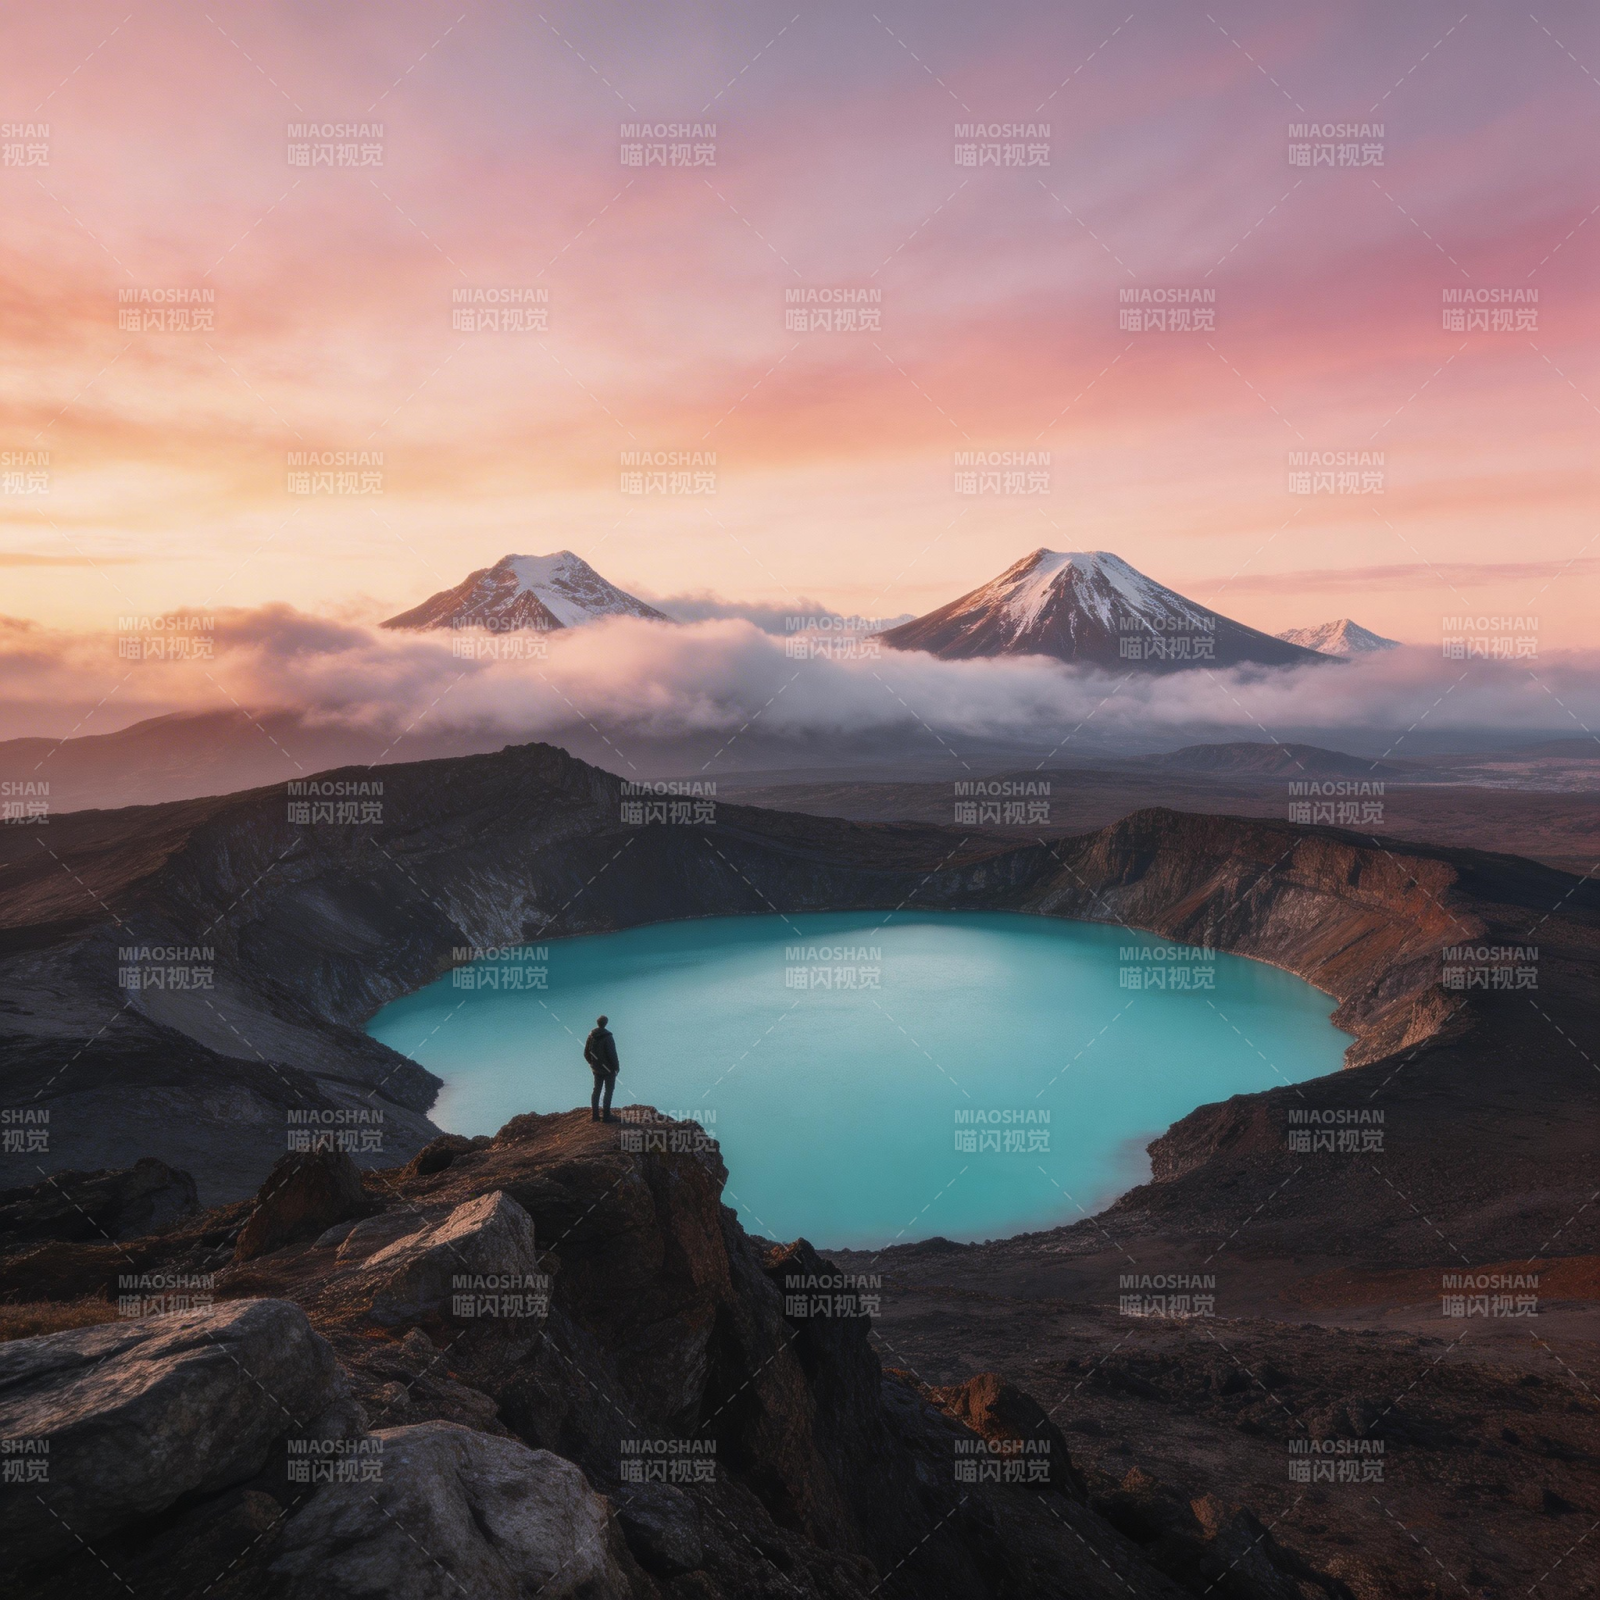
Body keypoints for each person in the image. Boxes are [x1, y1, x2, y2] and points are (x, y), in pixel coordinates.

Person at [584, 1014, 620, 1123]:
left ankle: (595, 1116)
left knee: (596, 1090)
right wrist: (616, 1067)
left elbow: (586, 1053)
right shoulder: (608, 1037)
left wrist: (592, 1063)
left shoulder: (591, 1035)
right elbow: (612, 1054)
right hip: (608, 1070)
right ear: (606, 1023)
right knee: (608, 1091)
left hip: (596, 1069)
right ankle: (606, 1116)